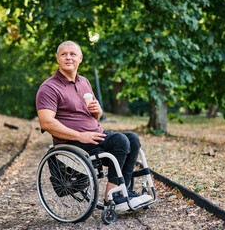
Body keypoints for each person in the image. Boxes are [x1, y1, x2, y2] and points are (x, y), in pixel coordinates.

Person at [36, 40, 150, 210]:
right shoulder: (49, 88)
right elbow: (46, 122)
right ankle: (112, 198)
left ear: (80, 58)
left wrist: (97, 111)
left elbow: (95, 115)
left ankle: (121, 191)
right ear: (57, 59)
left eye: (73, 54)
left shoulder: (84, 82)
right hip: (73, 142)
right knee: (120, 141)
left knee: (132, 138)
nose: (69, 58)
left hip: (94, 135)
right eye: (64, 54)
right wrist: (79, 135)